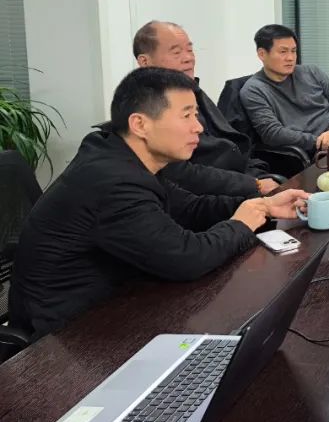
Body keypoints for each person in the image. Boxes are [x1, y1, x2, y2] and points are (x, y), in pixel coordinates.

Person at [9, 68, 310, 337]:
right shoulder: (111, 181)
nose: (198, 127)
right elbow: (187, 258)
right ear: (140, 124)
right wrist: (242, 224)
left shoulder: (126, 157)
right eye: (186, 115)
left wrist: (264, 205)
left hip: (123, 298)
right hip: (69, 334)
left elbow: (190, 208)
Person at [133, 20, 278, 196]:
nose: (188, 58)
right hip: (212, 195)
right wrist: (253, 184)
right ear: (145, 61)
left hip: (243, 176)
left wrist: (259, 173)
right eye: (176, 52)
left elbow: (230, 140)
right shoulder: (147, 108)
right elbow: (180, 174)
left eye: (189, 50)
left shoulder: (190, 90)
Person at [240, 24, 329, 154]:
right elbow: (272, 133)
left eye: (293, 51)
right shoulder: (254, 90)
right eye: (283, 52)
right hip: (313, 148)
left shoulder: (311, 72)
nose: (290, 58)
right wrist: (324, 143)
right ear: (262, 54)